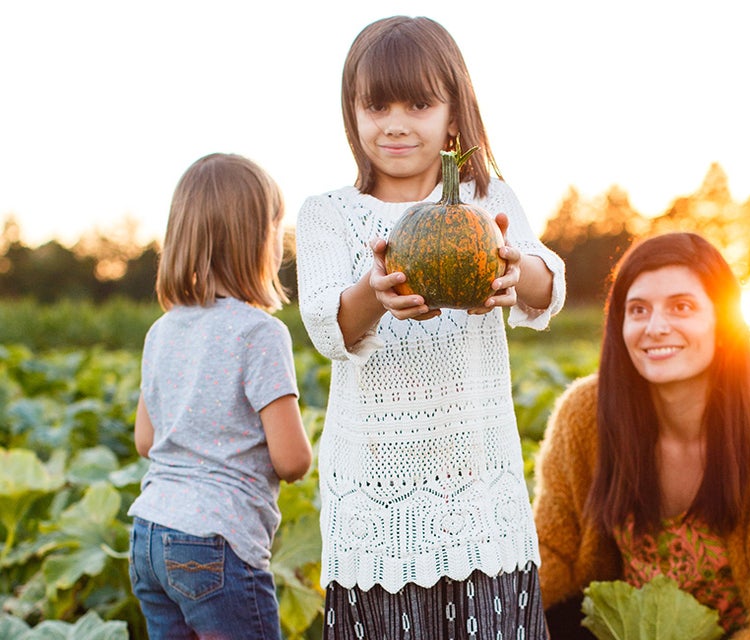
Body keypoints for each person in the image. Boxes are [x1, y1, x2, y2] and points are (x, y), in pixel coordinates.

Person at [295, 15, 565, 639]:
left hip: (477, 489)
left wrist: (512, 271)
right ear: (352, 113)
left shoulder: (487, 199)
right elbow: (327, 324)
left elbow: (547, 286)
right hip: (377, 494)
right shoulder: (328, 215)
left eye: (418, 104)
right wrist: (374, 291)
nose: (395, 122)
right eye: (376, 104)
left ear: (453, 114)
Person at [533, 232, 750, 639]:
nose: (656, 327)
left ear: (723, 320)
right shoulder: (585, 413)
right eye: (638, 309)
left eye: (682, 306)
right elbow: (555, 552)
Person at [128, 153, 313, 639]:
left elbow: (145, 441)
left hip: (149, 533)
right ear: (258, 242)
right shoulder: (260, 334)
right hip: (218, 542)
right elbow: (292, 460)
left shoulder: (160, 331)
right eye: (277, 228)